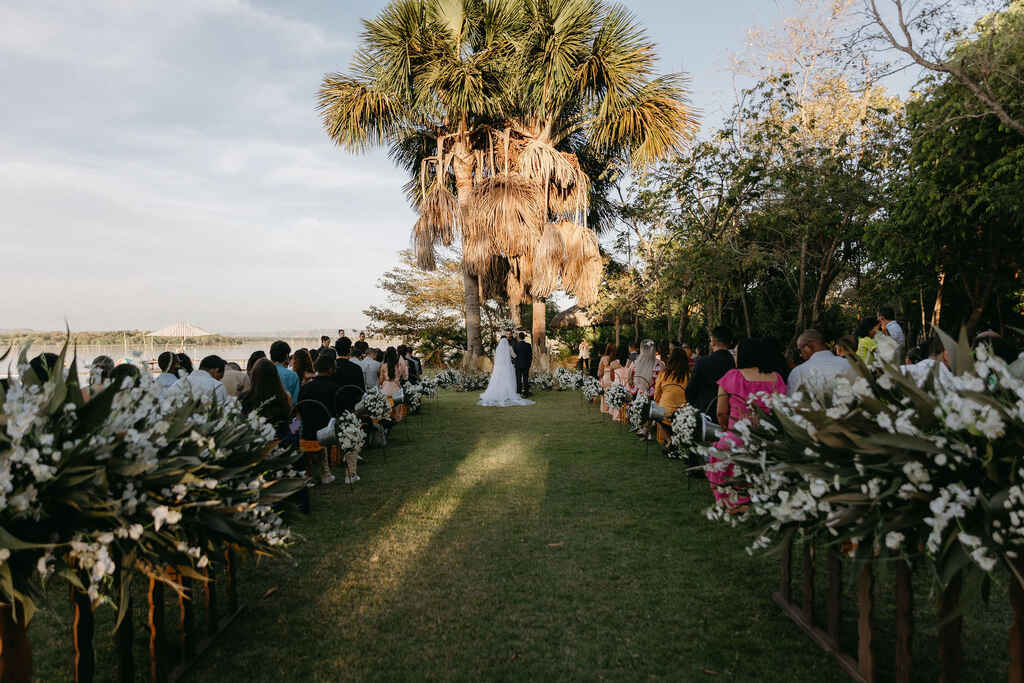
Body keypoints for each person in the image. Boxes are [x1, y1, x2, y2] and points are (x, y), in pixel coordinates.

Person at [709, 338, 788, 509]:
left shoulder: (732, 376)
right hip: (770, 438)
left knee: (718, 453)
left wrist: (726, 429)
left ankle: (732, 500)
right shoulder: (777, 378)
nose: (734, 357)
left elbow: (721, 412)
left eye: (736, 353)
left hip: (737, 436)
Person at [297, 353, 342, 485]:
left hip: (307, 429)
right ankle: (325, 472)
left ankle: (309, 473)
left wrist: (294, 428)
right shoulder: (334, 388)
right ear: (330, 369)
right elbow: (338, 412)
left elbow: (298, 410)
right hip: (327, 431)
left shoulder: (305, 387)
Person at [685, 326, 735, 424]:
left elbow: (690, 390)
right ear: (730, 342)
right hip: (730, 414)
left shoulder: (702, 362)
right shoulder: (734, 363)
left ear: (712, 341)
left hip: (705, 414)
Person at [787, 329, 856, 395]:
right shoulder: (850, 364)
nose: (800, 355)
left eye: (800, 350)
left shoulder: (798, 372)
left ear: (808, 347)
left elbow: (794, 403)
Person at [240, 358, 293, 440]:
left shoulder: (245, 398)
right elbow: (291, 424)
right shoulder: (284, 397)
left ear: (254, 376)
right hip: (280, 444)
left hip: (254, 445)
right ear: (275, 376)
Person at [478, 336, 535, 407]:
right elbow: (514, 356)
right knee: (507, 380)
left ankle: (497, 393)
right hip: (507, 367)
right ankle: (508, 393)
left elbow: (496, 358)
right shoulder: (509, 348)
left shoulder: (498, 348)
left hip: (498, 368)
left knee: (498, 380)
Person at [654, 348, 690, 444]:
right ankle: (676, 441)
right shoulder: (688, 375)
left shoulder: (664, 374)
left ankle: (669, 441)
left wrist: (656, 402)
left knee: (655, 413)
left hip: (665, 411)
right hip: (682, 411)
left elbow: (657, 392)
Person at [334, 337, 366, 411]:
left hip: (335, 406)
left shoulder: (331, 368)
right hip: (352, 406)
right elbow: (361, 390)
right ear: (349, 350)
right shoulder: (356, 368)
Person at [379, 347, 409, 419]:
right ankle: (397, 417)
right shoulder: (398, 365)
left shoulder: (383, 366)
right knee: (397, 408)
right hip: (396, 388)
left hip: (386, 389)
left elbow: (380, 380)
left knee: (385, 409)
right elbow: (404, 375)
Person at [270, 340, 300, 406]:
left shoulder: (263, 372)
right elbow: (294, 402)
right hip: (286, 413)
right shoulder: (293, 375)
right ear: (287, 356)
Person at [610, 344, 634, 422]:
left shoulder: (613, 363)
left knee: (618, 398)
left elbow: (612, 378)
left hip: (617, 384)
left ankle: (618, 415)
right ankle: (627, 416)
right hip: (628, 385)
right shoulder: (630, 362)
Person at [597, 343, 616, 414]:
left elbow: (600, 372)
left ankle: (605, 408)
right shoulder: (616, 359)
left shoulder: (603, 358)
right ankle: (612, 409)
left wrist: (600, 377)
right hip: (615, 378)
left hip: (606, 378)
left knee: (605, 394)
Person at [513, 332, 533, 397]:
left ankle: (518, 392)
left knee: (518, 379)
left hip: (518, 365)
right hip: (526, 365)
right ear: (524, 337)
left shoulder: (516, 345)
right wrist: (529, 364)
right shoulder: (528, 345)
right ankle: (526, 392)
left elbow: (514, 356)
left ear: (519, 337)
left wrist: (515, 363)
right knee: (525, 379)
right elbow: (530, 356)